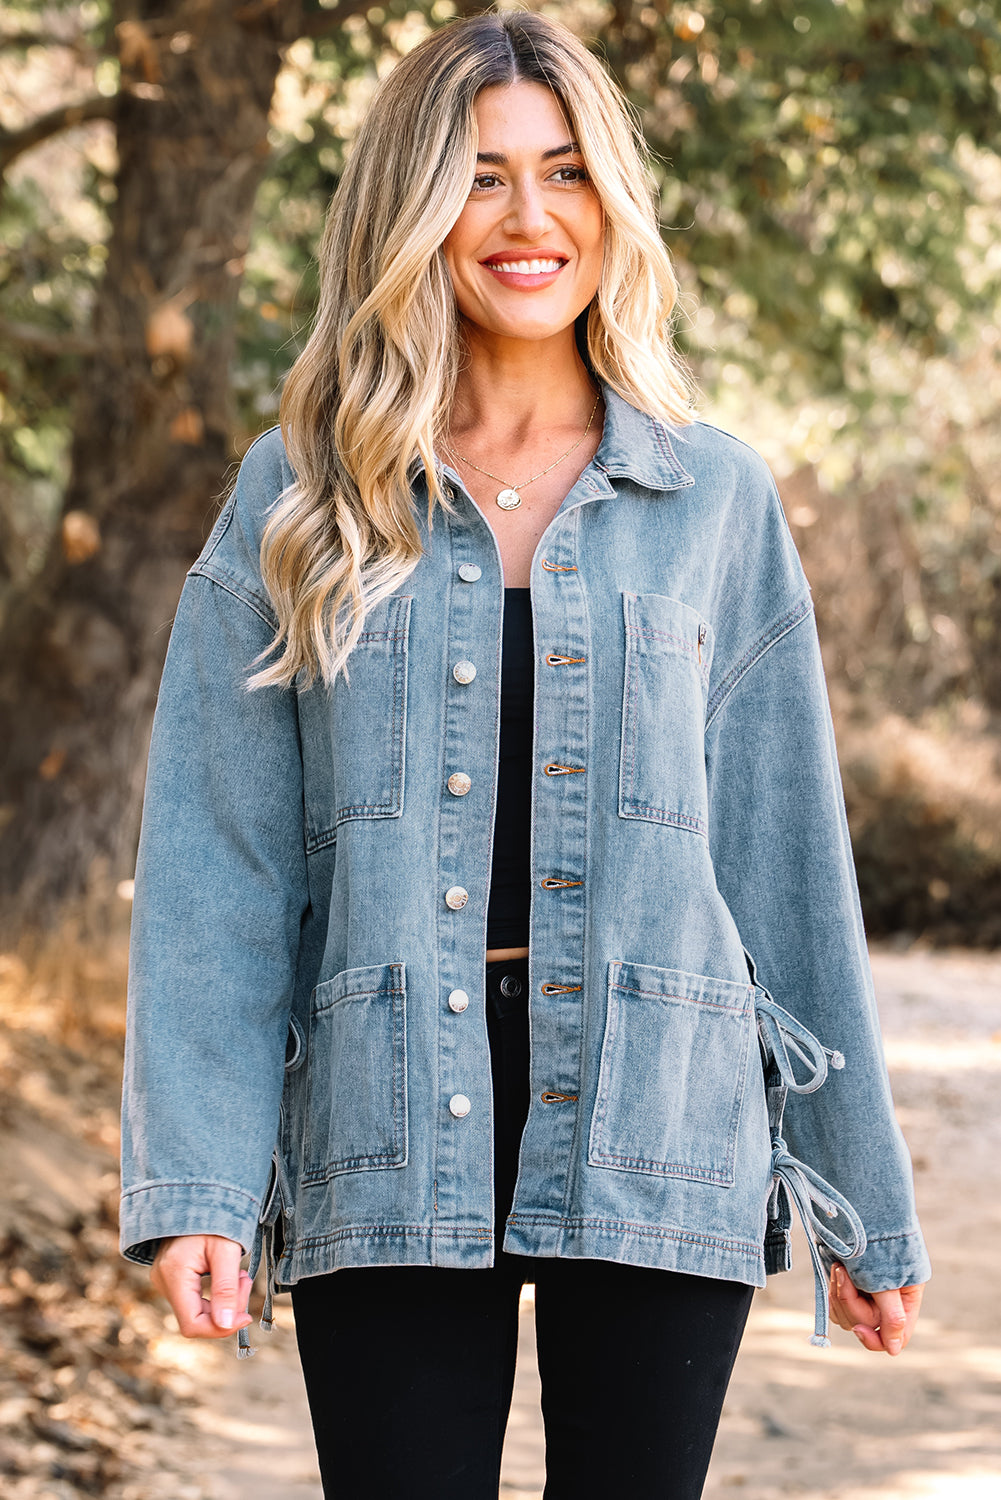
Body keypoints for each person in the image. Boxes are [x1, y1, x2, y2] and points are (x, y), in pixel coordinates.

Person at [120, 11, 930, 1498]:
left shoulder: (712, 499)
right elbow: (217, 865)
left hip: (659, 1124)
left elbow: (780, 860)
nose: (526, 218)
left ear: (611, 204)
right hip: (381, 1118)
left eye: (563, 173)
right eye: (478, 178)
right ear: (409, 213)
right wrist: (199, 1189)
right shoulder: (302, 497)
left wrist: (861, 1203)